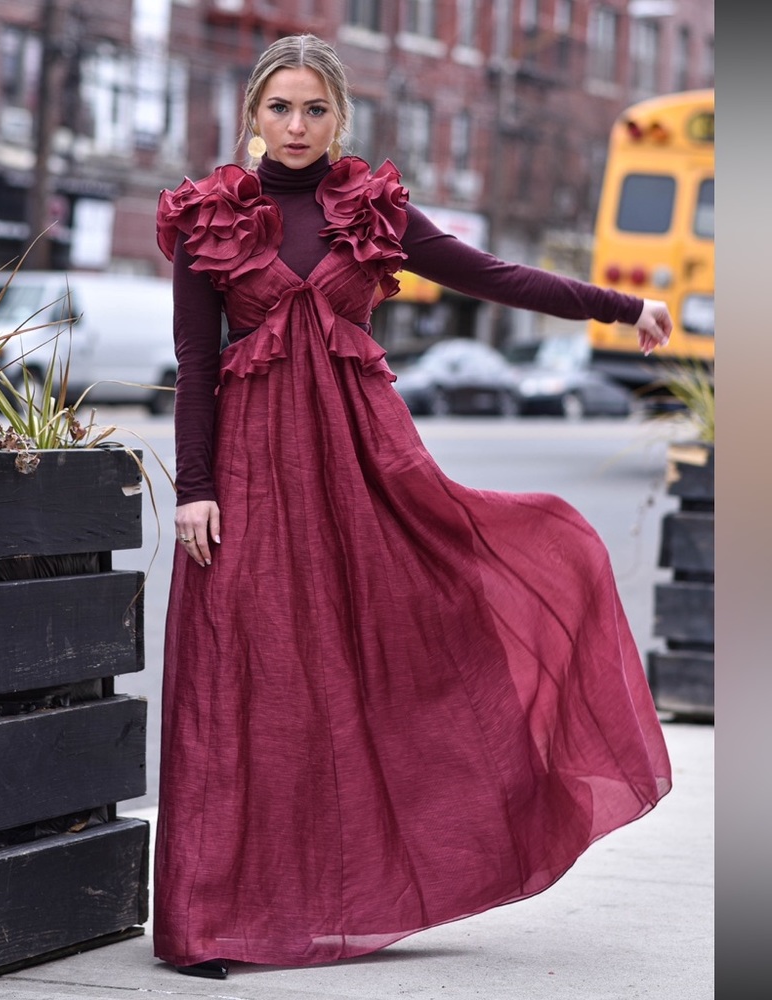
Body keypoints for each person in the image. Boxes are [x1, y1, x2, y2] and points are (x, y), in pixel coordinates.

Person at [153, 33, 673, 981]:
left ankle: (384, 874)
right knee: (240, 679)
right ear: (253, 115)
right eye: (281, 108)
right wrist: (195, 489)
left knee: (398, 648)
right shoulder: (207, 214)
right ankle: (208, 917)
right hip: (253, 474)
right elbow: (194, 366)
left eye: (315, 109)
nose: (298, 126)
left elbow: (492, 276)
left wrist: (615, 306)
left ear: (340, 116)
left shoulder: (372, 209)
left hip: (367, 465)